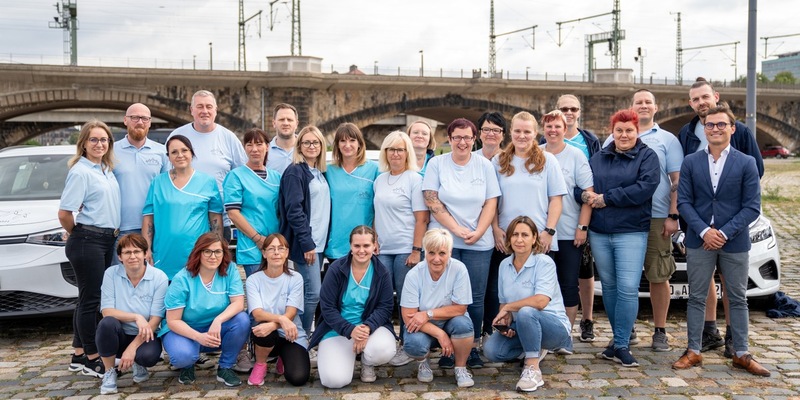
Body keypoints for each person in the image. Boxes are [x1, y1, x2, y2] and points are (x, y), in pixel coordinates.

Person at [672, 103, 769, 377]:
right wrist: (705, 231)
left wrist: (723, 233)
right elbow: (685, 203)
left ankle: (741, 353)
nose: (715, 129)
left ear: (732, 128)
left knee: (738, 298)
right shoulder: (691, 162)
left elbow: (751, 206)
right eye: (710, 125)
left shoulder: (746, 162)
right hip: (699, 240)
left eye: (721, 124)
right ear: (705, 129)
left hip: (734, 241)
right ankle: (693, 351)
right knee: (697, 297)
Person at [602, 90, 683, 352]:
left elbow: (676, 181)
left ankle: (660, 330)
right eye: (639, 102)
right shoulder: (613, 138)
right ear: (632, 107)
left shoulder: (667, 140)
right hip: (623, 219)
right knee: (624, 279)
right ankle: (626, 329)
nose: (644, 105)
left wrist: (673, 215)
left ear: (656, 107)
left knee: (658, 275)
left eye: (648, 102)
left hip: (657, 217)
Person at [422, 118, 500, 369]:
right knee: (445, 297)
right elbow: (432, 200)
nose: (463, 142)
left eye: (467, 137)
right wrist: (455, 229)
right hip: (445, 241)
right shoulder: (437, 163)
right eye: (457, 137)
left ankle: (472, 346)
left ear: (474, 138)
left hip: (479, 241)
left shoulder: (484, 166)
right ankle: (447, 350)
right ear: (449, 138)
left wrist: (479, 231)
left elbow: (491, 201)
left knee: (475, 298)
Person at [585, 109, 659, 368]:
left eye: (629, 130)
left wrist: (607, 198)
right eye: (619, 130)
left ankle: (621, 344)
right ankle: (617, 342)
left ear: (637, 131)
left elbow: (644, 189)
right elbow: (582, 185)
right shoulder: (599, 157)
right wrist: (586, 197)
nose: (624, 135)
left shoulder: (647, 157)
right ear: (612, 131)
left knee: (628, 288)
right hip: (600, 231)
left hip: (631, 231)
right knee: (611, 287)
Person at [58, 119, 121, 379]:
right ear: (83, 143)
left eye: (104, 139)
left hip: (106, 240)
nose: (99, 144)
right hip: (88, 240)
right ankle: (92, 358)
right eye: (93, 139)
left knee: (86, 298)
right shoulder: (81, 171)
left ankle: (77, 352)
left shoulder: (105, 169)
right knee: (92, 301)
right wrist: (79, 234)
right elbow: (64, 213)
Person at [483, 216, 573, 392]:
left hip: (555, 328)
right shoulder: (504, 265)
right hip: (522, 324)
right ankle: (532, 345)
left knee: (526, 311)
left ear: (534, 238)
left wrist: (510, 308)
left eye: (525, 235)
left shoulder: (544, 262)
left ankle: (533, 369)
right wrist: (504, 321)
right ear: (509, 238)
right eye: (514, 234)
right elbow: (504, 304)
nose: (519, 239)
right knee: (492, 351)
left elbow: (540, 302)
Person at [309, 226, 395, 389]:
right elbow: (327, 308)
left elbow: (385, 307)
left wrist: (366, 328)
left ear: (374, 246)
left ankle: (367, 361)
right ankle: (338, 353)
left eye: (366, 246)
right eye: (357, 246)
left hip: (370, 329)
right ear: (350, 246)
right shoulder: (336, 269)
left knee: (383, 349)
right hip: (338, 329)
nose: (361, 250)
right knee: (333, 381)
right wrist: (350, 330)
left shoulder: (381, 272)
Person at [160, 233, 250, 387]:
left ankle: (225, 367)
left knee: (242, 319)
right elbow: (173, 321)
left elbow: (238, 303)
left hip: (215, 330)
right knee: (183, 356)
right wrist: (198, 337)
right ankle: (187, 366)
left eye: (217, 251)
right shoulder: (182, 278)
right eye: (207, 251)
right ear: (198, 253)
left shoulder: (230, 270)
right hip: (184, 330)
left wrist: (218, 320)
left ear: (224, 253)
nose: (213, 256)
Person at [372, 131, 429, 366]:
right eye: (391, 149)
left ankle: (407, 344)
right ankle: (385, 342)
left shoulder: (414, 179)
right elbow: (376, 214)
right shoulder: (380, 179)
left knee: (406, 300)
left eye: (400, 149)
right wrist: (375, 239)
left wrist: (416, 250)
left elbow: (422, 218)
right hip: (383, 250)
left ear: (407, 152)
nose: (395, 154)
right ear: (385, 153)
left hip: (407, 248)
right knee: (382, 298)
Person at [168, 90, 247, 241]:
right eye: (200, 106)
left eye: (209, 107)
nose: (205, 111)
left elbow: (241, 177)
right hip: (184, 218)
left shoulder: (229, 138)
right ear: (191, 110)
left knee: (216, 262)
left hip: (219, 219)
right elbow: (167, 175)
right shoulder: (177, 136)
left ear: (216, 110)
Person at [400, 228, 474, 388]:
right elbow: (408, 316)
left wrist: (428, 314)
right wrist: (440, 334)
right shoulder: (414, 275)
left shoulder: (459, 269)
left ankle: (461, 367)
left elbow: (460, 308)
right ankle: (422, 362)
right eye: (431, 253)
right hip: (423, 327)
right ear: (424, 252)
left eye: (442, 253)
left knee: (464, 324)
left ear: (450, 253)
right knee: (414, 344)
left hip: (449, 322)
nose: (436, 259)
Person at [96, 233, 169, 394]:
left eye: (137, 251)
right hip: (119, 332)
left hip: (146, 334)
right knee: (106, 324)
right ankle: (109, 372)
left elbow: (155, 320)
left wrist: (132, 349)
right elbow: (107, 311)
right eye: (127, 252)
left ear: (145, 254)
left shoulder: (159, 278)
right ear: (120, 257)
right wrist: (136, 317)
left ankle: (138, 362)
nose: (132, 256)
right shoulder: (111, 274)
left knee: (148, 357)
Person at [540, 110, 593, 332]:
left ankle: (565, 333)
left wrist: (582, 227)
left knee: (568, 284)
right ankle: (544, 331)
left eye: (557, 126)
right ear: (543, 129)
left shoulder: (576, 155)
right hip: (540, 233)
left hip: (569, 231)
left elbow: (589, 194)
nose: (553, 131)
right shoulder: (536, 153)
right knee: (543, 287)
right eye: (549, 126)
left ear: (565, 129)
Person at [142, 135, 223, 280]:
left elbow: (215, 218)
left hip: (198, 253)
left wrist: (217, 250)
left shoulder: (207, 182)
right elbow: (148, 218)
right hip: (165, 254)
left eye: (184, 150)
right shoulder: (158, 182)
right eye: (174, 152)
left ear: (191, 153)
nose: (180, 155)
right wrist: (146, 249)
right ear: (168, 157)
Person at [556, 94, 601, 343]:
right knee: (564, 274)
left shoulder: (589, 141)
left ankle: (588, 319)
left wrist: (586, 201)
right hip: (558, 220)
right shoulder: (546, 141)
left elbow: (596, 177)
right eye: (564, 108)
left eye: (573, 108)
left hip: (585, 214)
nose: (569, 112)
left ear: (579, 112)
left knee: (586, 269)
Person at [279, 125, 331, 333]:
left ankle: (300, 335)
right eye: (306, 142)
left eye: (316, 142)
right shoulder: (295, 172)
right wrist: (307, 243)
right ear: (299, 145)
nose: (311, 146)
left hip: (319, 244)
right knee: (313, 294)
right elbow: (294, 210)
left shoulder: (318, 173)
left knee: (309, 292)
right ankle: (301, 336)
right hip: (306, 244)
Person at [245, 233, 311, 386]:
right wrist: (280, 319)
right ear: (264, 253)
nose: (276, 253)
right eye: (271, 249)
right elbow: (258, 313)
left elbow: (291, 312)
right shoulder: (254, 280)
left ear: (287, 253)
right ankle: (261, 364)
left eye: (281, 249)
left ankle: (284, 358)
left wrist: (276, 322)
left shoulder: (295, 278)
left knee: (298, 378)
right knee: (263, 332)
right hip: (266, 334)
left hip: (290, 333)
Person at [111, 103, 169, 266]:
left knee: (152, 279)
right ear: (125, 120)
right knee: (122, 279)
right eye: (134, 117)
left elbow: (168, 189)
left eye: (144, 118)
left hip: (155, 229)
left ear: (150, 122)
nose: (139, 122)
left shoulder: (161, 152)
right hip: (121, 229)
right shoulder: (111, 151)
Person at [223, 128, 281, 278]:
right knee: (258, 294)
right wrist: (258, 239)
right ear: (244, 148)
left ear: (267, 146)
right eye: (249, 144)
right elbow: (233, 213)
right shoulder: (236, 176)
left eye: (259, 144)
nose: (254, 149)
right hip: (252, 246)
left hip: (276, 246)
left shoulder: (276, 177)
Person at [325, 123, 380, 263]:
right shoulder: (328, 171)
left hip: (365, 244)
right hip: (336, 243)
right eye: (342, 141)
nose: (347, 145)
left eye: (352, 140)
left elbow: (380, 208)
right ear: (337, 145)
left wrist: (376, 238)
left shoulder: (374, 169)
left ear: (360, 143)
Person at [267, 103, 299, 173]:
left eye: (290, 120)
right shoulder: (265, 152)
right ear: (274, 123)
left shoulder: (307, 149)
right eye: (281, 119)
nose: (286, 123)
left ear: (296, 124)